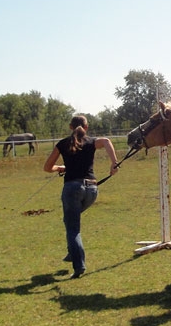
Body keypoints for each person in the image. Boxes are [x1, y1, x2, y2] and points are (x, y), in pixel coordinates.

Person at [43, 115, 120, 278]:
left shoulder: (63, 144)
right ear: (86, 127)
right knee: (70, 221)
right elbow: (106, 141)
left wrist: (60, 168)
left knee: (73, 228)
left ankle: (79, 265)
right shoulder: (91, 142)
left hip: (72, 188)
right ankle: (72, 252)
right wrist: (114, 163)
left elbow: (47, 167)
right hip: (92, 189)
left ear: (71, 127)